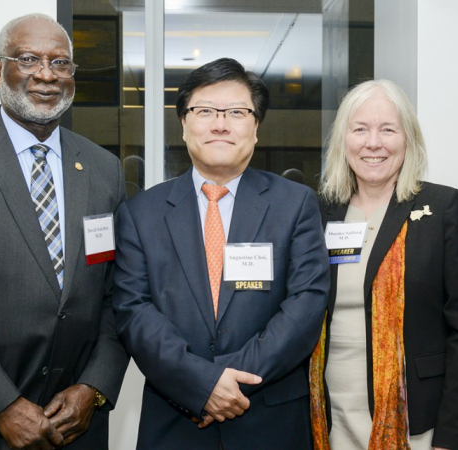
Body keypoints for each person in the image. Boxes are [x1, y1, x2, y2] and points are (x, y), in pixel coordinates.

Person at [112, 58, 329, 450]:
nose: (220, 124)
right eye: (205, 111)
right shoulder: (141, 212)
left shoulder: (294, 204)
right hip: (175, 421)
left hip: (269, 418)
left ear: (256, 126)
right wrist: (200, 384)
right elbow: (133, 310)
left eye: (236, 112)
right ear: (183, 123)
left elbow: (306, 303)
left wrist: (226, 381)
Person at [0, 13, 128, 450]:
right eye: (27, 59)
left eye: (61, 63)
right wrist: (0, 402)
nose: (46, 75)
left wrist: (94, 386)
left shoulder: (104, 169)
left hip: (77, 426)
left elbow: (118, 293)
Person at [310, 79, 458, 450]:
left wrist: (452, 435)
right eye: (360, 129)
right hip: (332, 416)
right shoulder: (319, 213)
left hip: (417, 420)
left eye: (388, 129)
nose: (374, 142)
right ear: (344, 139)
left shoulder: (442, 208)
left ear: (408, 139)